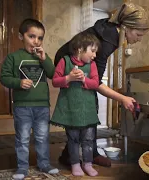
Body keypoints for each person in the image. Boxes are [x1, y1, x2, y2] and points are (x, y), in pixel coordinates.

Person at [55, 2, 149, 167]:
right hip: (68, 66)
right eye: (138, 34)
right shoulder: (107, 41)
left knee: (91, 106)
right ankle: (70, 156)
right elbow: (95, 83)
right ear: (126, 27)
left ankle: (91, 153)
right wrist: (123, 98)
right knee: (84, 108)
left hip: (77, 66)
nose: (139, 39)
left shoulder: (112, 32)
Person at [0, 18, 59, 179]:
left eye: (40, 38)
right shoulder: (13, 57)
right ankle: (22, 168)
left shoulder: (43, 57)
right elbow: (4, 78)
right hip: (22, 106)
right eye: (31, 36)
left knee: (42, 137)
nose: (36, 41)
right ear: (21, 36)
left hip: (42, 106)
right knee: (23, 138)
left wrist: (44, 58)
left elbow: (53, 74)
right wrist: (18, 82)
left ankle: (44, 164)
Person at [50, 32, 101, 177]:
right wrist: (69, 77)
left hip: (87, 110)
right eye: (92, 51)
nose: (95, 55)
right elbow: (55, 81)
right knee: (73, 139)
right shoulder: (64, 61)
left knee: (89, 139)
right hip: (70, 110)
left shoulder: (92, 65)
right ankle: (75, 164)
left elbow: (96, 83)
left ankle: (88, 163)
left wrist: (84, 80)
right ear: (80, 48)